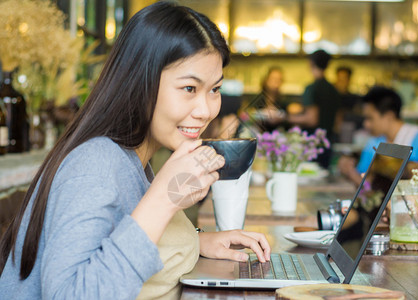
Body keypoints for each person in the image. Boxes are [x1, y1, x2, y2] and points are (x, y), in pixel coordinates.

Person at [0, 2, 271, 299]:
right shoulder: (96, 164)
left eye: (215, 89)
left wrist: (198, 242)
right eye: (189, 89)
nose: (206, 110)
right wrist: (165, 198)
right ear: (140, 82)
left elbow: (117, 233)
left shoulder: (134, 157)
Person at [339, 86, 418, 186]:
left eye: (370, 118)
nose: (366, 124)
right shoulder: (373, 142)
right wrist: (350, 171)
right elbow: (367, 183)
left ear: (389, 116)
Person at [288, 50, 341, 168]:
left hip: (312, 143)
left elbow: (312, 119)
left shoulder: (311, 88)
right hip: (328, 141)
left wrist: (286, 117)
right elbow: (338, 120)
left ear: (311, 63)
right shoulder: (333, 89)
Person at [334, 66, 363, 143]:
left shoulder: (354, 98)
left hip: (350, 136)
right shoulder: (331, 97)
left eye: (344, 79)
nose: (341, 82)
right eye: (339, 79)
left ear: (349, 80)